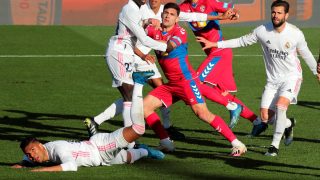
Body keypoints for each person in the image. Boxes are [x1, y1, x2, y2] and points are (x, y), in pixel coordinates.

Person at [85, 0, 235, 141]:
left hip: (147, 57)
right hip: (137, 54)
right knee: (132, 96)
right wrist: (160, 46)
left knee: (138, 94)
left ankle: (164, 130)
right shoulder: (141, 10)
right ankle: (151, 132)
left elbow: (192, 15)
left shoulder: (165, 12)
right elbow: (138, 36)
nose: (153, 0)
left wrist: (219, 17)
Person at [196, 0, 320, 156]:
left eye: (279, 13)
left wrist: (317, 72)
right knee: (265, 117)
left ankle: (274, 146)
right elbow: (241, 41)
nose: (276, 15)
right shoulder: (262, 30)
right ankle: (288, 125)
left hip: (291, 77)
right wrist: (215, 44)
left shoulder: (295, 33)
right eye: (273, 12)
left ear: (286, 15)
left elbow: (306, 54)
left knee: (281, 107)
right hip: (272, 80)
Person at [142, 2, 247, 156]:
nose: (167, 16)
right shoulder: (155, 30)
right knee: (144, 108)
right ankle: (166, 143)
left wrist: (149, 35)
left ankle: (237, 143)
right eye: (166, 13)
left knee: (202, 113)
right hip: (172, 85)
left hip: (185, 82)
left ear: (177, 19)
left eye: (172, 14)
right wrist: (147, 22)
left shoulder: (180, 32)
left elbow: (168, 47)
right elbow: (137, 27)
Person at [83, 0, 168, 148]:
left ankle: (95, 121)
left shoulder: (137, 9)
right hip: (119, 52)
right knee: (130, 96)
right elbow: (144, 39)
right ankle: (130, 142)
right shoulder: (130, 9)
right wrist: (167, 46)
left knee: (131, 95)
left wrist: (147, 21)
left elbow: (135, 29)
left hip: (126, 53)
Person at [179, 0, 263, 132]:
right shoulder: (183, 7)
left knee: (197, 83)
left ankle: (232, 107)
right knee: (221, 93)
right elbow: (171, 17)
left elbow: (232, 9)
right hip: (213, 54)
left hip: (220, 52)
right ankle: (258, 122)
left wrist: (236, 14)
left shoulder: (209, 2)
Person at [11, 136, 164, 172]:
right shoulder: (35, 155)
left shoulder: (58, 149)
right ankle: (138, 147)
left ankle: (145, 150)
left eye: (33, 151)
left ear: (40, 145)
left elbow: (72, 166)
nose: (32, 156)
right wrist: (22, 163)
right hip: (97, 156)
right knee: (126, 157)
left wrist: (45, 170)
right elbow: (26, 159)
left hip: (98, 150)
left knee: (127, 157)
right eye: (28, 154)